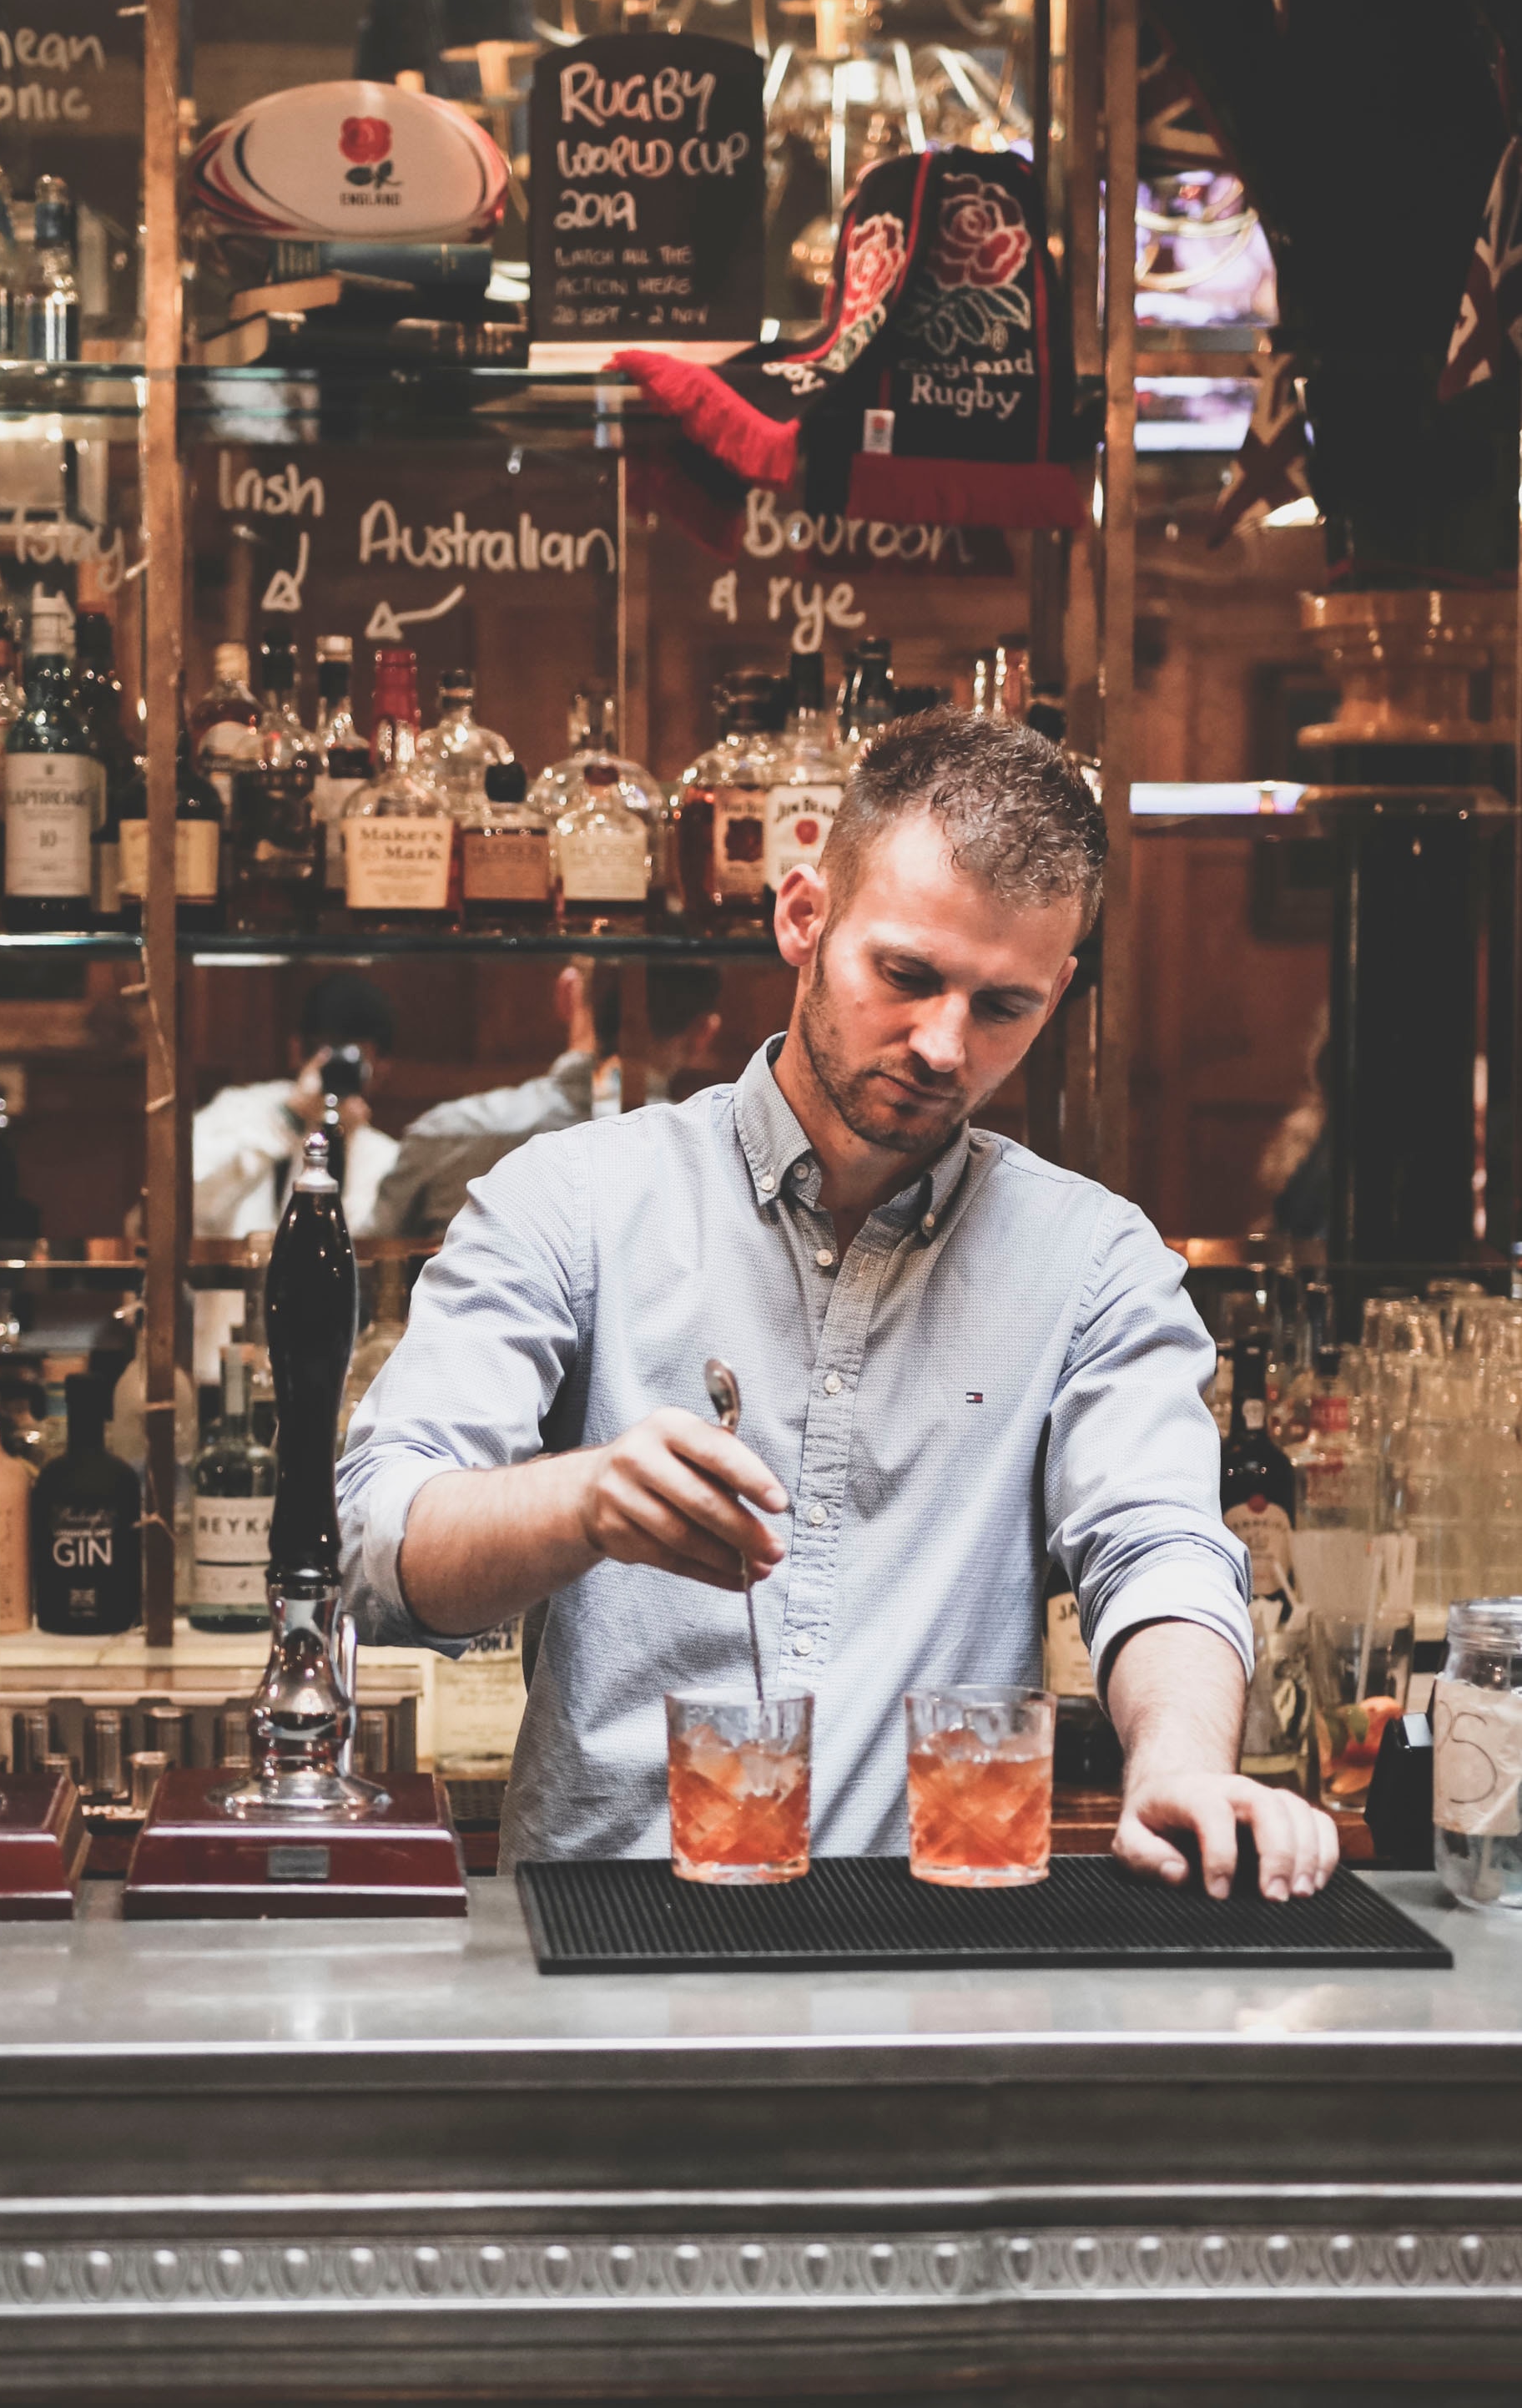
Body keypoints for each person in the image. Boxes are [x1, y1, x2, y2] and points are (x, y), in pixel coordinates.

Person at [340, 712, 1335, 1903]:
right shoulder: (574, 1200)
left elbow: (1159, 1546)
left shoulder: (1091, 1261)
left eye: (1003, 1006)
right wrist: (583, 1500)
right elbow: (376, 1550)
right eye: (904, 976)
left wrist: (1175, 1756)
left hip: (933, 1966)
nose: (941, 1044)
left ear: (1060, 989)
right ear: (802, 917)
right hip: (605, 1966)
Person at [368, 960, 724, 1240]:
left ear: (566, 993)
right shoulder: (718, 1166)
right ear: (703, 1034)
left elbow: (363, 1277)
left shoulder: (444, 1134)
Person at [192, 975, 399, 1239]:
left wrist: (344, 1139)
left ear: (381, 1068)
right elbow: (183, 1206)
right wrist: (289, 1119)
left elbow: (369, 1243)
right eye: (326, 1051)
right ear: (296, 1049)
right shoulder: (239, 1111)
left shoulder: (383, 1156)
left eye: (354, 1059)